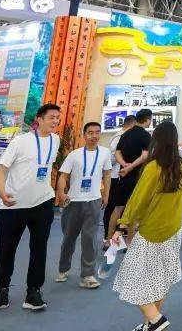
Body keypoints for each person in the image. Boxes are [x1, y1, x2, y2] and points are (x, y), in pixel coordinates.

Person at [111, 121, 182, 331]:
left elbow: (138, 199)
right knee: (160, 279)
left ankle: (155, 319)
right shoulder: (181, 165)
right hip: (174, 230)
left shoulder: (153, 167)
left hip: (152, 232)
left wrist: (122, 226)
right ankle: (149, 325)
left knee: (131, 277)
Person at [0, 103, 61, 312]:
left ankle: (33, 291)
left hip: (42, 203)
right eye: (51, 117)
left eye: (57, 117)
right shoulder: (20, 141)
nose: (56, 121)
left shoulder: (56, 140)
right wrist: (2, 193)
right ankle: (2, 288)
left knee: (39, 249)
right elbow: (0, 170)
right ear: (39, 119)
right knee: (6, 249)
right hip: (14, 206)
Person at [55, 121, 112, 289]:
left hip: (94, 201)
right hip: (73, 202)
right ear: (84, 135)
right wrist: (61, 193)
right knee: (69, 238)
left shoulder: (105, 153)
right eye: (90, 132)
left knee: (89, 239)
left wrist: (106, 195)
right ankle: (63, 269)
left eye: (97, 132)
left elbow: (107, 175)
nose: (94, 136)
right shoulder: (75, 155)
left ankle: (87, 275)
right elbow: (63, 176)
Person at [110, 109, 153, 243]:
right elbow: (144, 156)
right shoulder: (146, 136)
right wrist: (131, 167)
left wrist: (124, 165)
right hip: (138, 176)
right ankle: (129, 242)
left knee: (118, 208)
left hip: (124, 175)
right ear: (148, 119)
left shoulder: (126, 134)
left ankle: (108, 239)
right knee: (134, 209)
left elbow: (117, 153)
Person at [104, 114, 137, 240]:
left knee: (121, 208)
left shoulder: (124, 136)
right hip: (115, 176)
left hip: (121, 176)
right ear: (133, 125)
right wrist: (123, 163)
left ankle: (116, 237)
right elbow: (111, 158)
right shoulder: (120, 137)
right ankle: (108, 237)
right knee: (113, 208)